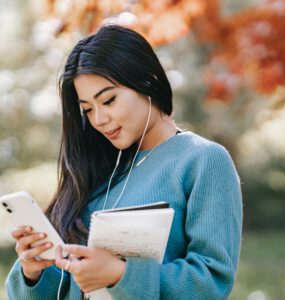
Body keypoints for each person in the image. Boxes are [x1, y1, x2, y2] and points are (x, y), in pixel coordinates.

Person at [5, 24, 243, 300]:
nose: (99, 120)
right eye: (88, 109)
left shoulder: (203, 161)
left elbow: (211, 282)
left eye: (108, 100)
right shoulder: (98, 170)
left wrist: (121, 275)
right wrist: (33, 271)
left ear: (148, 80)